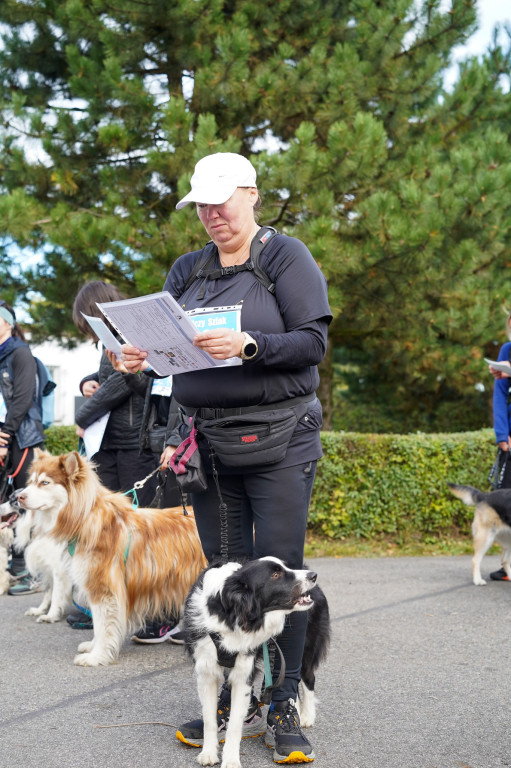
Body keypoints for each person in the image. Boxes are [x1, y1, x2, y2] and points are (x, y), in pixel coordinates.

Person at [121, 152, 332, 764]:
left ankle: (285, 700)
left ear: (253, 195)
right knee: (224, 573)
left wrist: (249, 345)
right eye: (203, 206)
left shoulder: (285, 257)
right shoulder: (187, 268)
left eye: (223, 202)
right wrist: (137, 358)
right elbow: (165, 348)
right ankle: (227, 695)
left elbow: (313, 341)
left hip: (282, 438)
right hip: (208, 443)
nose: (212, 215)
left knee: (285, 571)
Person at [66, 281, 160, 630]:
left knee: (137, 531)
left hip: (133, 445)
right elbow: (105, 378)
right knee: (106, 530)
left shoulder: (129, 337)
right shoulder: (108, 341)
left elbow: (123, 383)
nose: (87, 329)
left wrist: (81, 415)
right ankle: (106, 605)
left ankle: (151, 610)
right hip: (108, 444)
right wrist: (85, 383)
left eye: (86, 320)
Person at [0, 300, 45, 595]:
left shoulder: (20, 353)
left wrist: (4, 435)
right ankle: (17, 565)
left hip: (22, 438)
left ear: (6, 322)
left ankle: (32, 572)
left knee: (26, 504)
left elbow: (23, 399)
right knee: (9, 505)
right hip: (7, 436)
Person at [488, 311, 511, 581]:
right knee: (505, 503)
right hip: (510, 441)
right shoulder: (507, 349)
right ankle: (507, 566)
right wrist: (502, 436)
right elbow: (499, 398)